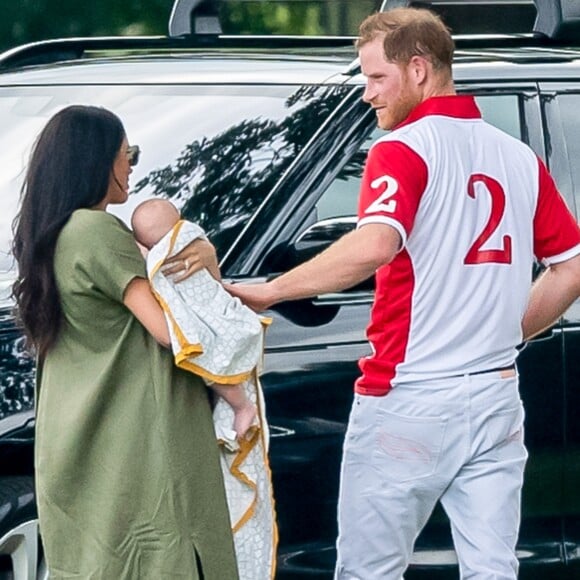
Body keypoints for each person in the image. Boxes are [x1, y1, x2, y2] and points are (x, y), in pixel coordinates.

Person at [226, 7, 580, 580]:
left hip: (408, 396)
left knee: (369, 571)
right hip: (495, 394)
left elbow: (374, 246)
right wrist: (507, 333)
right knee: (493, 569)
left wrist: (270, 291)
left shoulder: (402, 147)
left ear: (418, 69)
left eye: (375, 78)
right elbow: (571, 269)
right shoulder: (518, 157)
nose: (367, 95)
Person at [11, 105, 239, 579]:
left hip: (83, 448)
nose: (132, 165)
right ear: (94, 162)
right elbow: (175, 329)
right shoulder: (97, 232)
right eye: (126, 154)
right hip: (142, 451)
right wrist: (206, 265)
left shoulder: (53, 235)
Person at [131, 197, 259, 440]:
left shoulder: (182, 246)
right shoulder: (196, 243)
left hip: (214, 321)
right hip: (215, 317)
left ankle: (242, 406)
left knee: (210, 360)